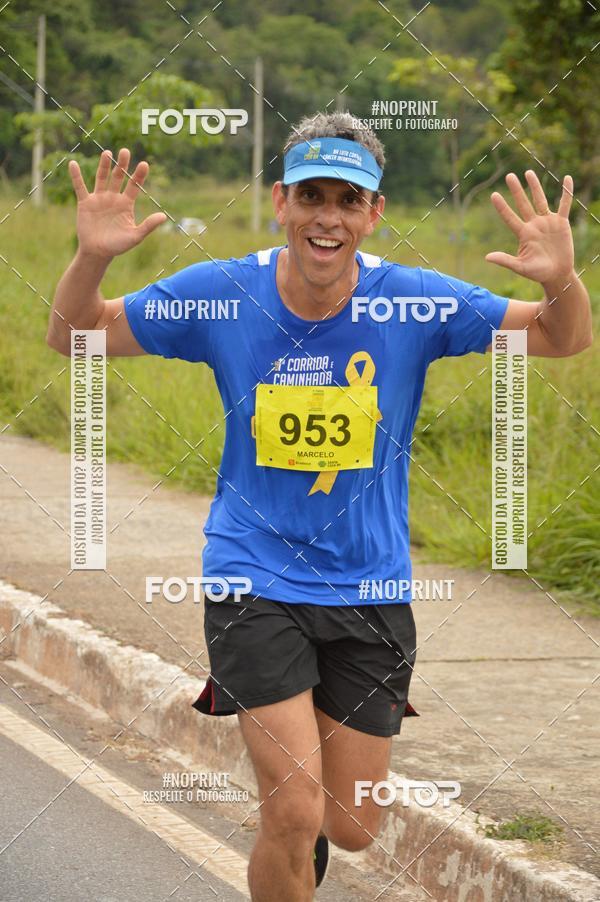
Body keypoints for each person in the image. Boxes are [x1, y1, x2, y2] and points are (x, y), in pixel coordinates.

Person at [47, 111, 592, 901]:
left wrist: (560, 281)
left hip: (371, 588)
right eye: (311, 197)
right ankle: (288, 835)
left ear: (374, 214)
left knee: (353, 822)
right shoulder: (221, 293)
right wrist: (90, 260)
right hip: (253, 576)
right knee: (294, 809)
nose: (326, 218)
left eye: (347, 200)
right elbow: (78, 335)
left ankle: (303, 844)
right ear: (280, 202)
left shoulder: (415, 303)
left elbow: (560, 338)